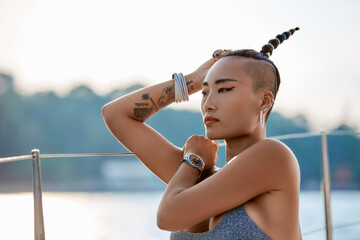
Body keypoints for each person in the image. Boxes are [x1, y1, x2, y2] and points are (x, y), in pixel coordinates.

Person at [102, 27, 302, 240]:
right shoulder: (198, 178)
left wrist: (193, 160)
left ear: (264, 101)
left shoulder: (273, 156)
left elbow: (168, 217)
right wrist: (194, 80)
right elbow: (115, 115)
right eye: (205, 92)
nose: (208, 104)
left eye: (224, 89)